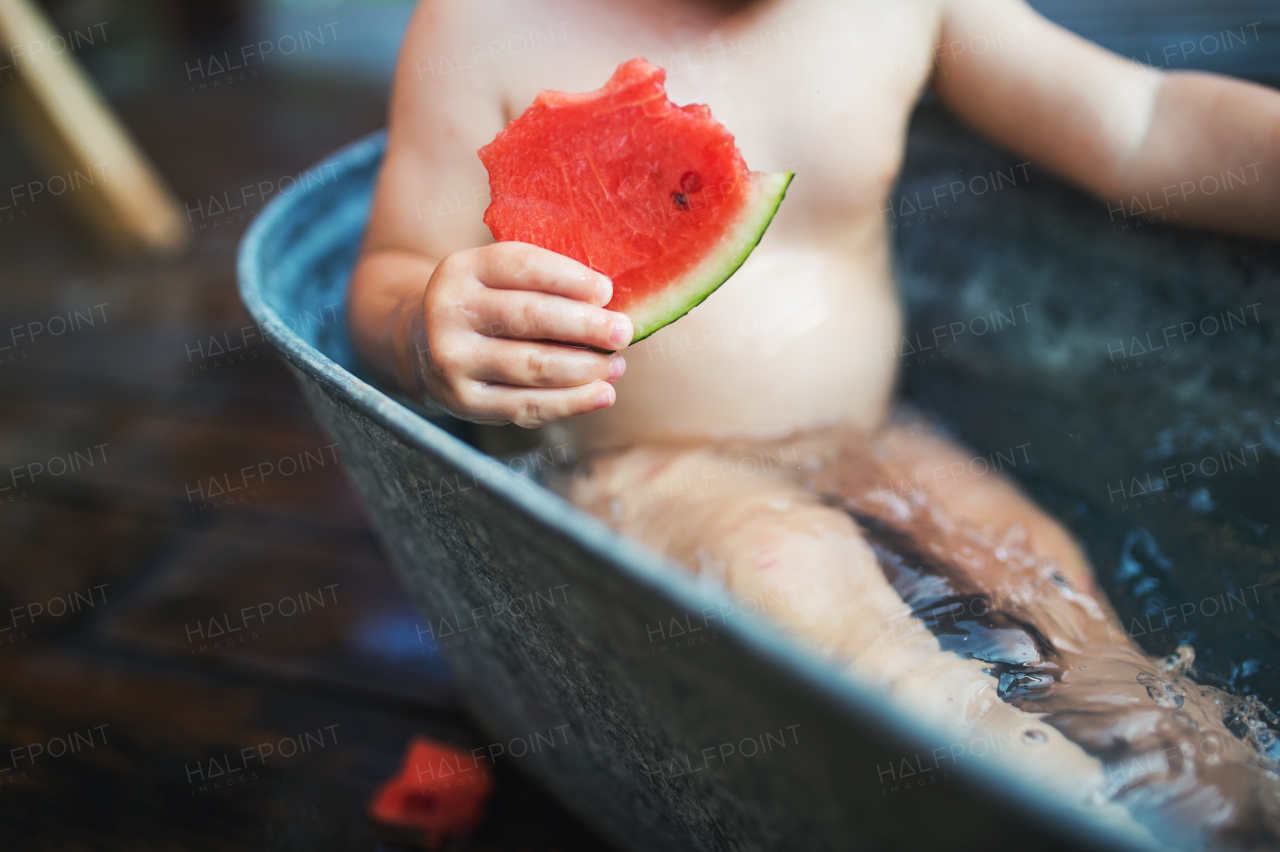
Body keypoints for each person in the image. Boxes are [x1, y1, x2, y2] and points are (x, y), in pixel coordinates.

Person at [347, 0, 1280, 844]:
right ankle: (1060, 821)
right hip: (648, 466)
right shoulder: (480, 26)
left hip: (870, 434)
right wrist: (423, 329)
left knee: (1050, 589)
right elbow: (393, 265)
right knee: (813, 596)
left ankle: (1232, 805)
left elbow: (1144, 123)